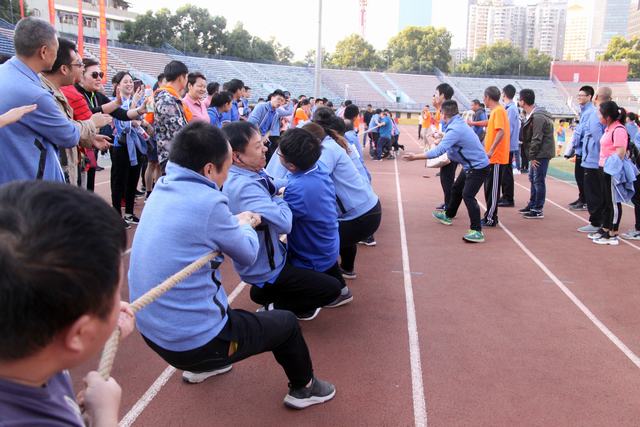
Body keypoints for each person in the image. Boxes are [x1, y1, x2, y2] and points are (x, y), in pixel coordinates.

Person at [128, 121, 336, 409]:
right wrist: (246, 224)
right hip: (195, 343)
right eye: (227, 166)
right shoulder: (209, 202)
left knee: (217, 295)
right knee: (286, 324)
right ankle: (305, 388)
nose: (228, 175)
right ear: (209, 169)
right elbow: (248, 253)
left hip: (153, 334)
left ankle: (206, 365)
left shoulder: (163, 187)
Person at [0, 180, 135, 426]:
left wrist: (102, 324)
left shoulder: (28, 353)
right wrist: (104, 416)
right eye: (116, 294)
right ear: (79, 333)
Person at [222, 121, 342, 320]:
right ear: (236, 156)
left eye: (263, 143)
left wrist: (296, 185)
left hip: (274, 255)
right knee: (331, 289)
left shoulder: (250, 171)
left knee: (260, 293)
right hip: (266, 266)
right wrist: (279, 197)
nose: (265, 148)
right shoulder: (243, 187)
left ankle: (271, 294)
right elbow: (285, 223)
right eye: (258, 146)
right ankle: (276, 308)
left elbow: (271, 183)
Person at [278, 128, 353, 306]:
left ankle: (304, 307)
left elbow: (282, 222)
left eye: (279, 153)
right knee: (327, 264)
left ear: (291, 165)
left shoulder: (299, 189)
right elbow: (290, 182)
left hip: (311, 251)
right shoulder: (318, 167)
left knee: (280, 277)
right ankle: (342, 291)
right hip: (327, 240)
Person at [0, 17, 80, 184]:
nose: (56, 55)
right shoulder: (35, 95)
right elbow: (69, 136)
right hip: (30, 187)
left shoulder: (5, 73)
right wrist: (91, 123)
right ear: (44, 51)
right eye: (55, 49)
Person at [404, 100, 490, 243]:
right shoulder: (458, 123)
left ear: (444, 114)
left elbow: (438, 151)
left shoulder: (455, 128)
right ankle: (448, 215)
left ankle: (477, 231)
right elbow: (455, 138)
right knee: (456, 189)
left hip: (478, 167)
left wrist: (415, 157)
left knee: (468, 195)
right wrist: (443, 136)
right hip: (471, 166)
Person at [39, 37, 112, 187]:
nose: (82, 69)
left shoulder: (56, 91)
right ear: (64, 69)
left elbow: (63, 127)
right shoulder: (44, 95)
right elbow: (64, 131)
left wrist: (90, 138)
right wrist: (92, 123)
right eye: (79, 64)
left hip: (64, 168)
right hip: (55, 176)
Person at [75, 58, 146, 190]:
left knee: (89, 187)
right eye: (94, 75)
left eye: (100, 75)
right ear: (81, 76)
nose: (99, 78)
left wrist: (139, 110)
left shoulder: (96, 95)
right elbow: (88, 114)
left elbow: (121, 114)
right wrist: (115, 104)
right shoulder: (76, 93)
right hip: (76, 149)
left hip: (89, 146)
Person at [110, 71, 150, 227]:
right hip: (121, 147)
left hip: (136, 145)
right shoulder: (115, 103)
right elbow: (125, 125)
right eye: (125, 82)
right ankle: (116, 215)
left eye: (130, 82)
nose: (129, 84)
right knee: (119, 181)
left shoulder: (135, 102)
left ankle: (129, 213)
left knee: (133, 180)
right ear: (118, 86)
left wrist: (142, 123)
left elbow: (139, 121)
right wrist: (134, 107)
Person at [589, 101, 629, 245]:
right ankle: (606, 227)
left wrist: (610, 166)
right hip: (603, 168)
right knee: (605, 200)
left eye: (600, 114)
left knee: (613, 201)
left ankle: (613, 232)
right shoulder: (608, 128)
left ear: (607, 116)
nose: (598, 116)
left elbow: (620, 153)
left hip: (612, 170)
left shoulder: (618, 129)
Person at [517, 89, 555, 219]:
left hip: (541, 153)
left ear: (523, 101)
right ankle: (533, 204)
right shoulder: (532, 114)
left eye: (519, 99)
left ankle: (538, 209)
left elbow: (536, 138)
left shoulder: (538, 116)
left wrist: (532, 156)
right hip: (538, 152)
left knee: (538, 180)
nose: (519, 101)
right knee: (533, 178)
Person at [578, 86, 610, 233]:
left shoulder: (596, 114)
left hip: (594, 160)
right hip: (601, 159)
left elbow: (598, 138)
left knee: (593, 192)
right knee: (601, 192)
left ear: (595, 97)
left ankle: (596, 221)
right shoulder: (608, 112)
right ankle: (603, 221)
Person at [481, 86, 510, 227]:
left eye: (484, 97)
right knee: (489, 187)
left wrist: (491, 150)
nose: (483, 100)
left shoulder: (498, 111)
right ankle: (489, 215)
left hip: (496, 157)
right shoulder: (495, 111)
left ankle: (491, 217)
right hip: (492, 157)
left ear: (487, 97)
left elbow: (500, 131)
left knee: (493, 188)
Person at [152, 60, 190, 166]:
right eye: (186, 77)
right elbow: (178, 131)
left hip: (173, 156)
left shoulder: (168, 96)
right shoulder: (167, 100)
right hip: (172, 157)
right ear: (181, 78)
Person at [566, 86, 596, 211]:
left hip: (584, 150)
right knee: (579, 176)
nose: (579, 97)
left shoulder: (591, 112)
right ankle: (582, 198)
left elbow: (584, 131)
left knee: (582, 177)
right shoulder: (584, 111)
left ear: (589, 97)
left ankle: (585, 201)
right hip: (580, 149)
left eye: (582, 95)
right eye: (578, 95)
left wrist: (575, 145)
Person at [430, 83, 457, 211]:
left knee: (447, 179)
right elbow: (442, 127)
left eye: (436, 93)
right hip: (448, 147)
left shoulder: (448, 109)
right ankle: (448, 203)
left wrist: (440, 138)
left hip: (451, 150)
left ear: (442, 95)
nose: (434, 96)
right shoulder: (444, 109)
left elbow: (450, 130)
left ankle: (450, 206)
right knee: (446, 179)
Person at [248, 89, 294, 163]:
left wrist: (265, 137)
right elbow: (253, 122)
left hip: (263, 138)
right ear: (272, 97)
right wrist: (260, 137)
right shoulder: (261, 106)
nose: (280, 102)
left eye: (282, 101)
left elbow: (271, 129)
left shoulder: (276, 112)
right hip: (252, 136)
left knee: (268, 159)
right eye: (278, 99)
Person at [498, 84, 521, 208]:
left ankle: (508, 197)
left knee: (506, 173)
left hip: (508, 145)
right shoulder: (509, 108)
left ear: (504, 94)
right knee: (504, 172)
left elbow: (508, 129)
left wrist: (501, 143)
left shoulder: (511, 109)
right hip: (507, 145)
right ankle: (506, 195)